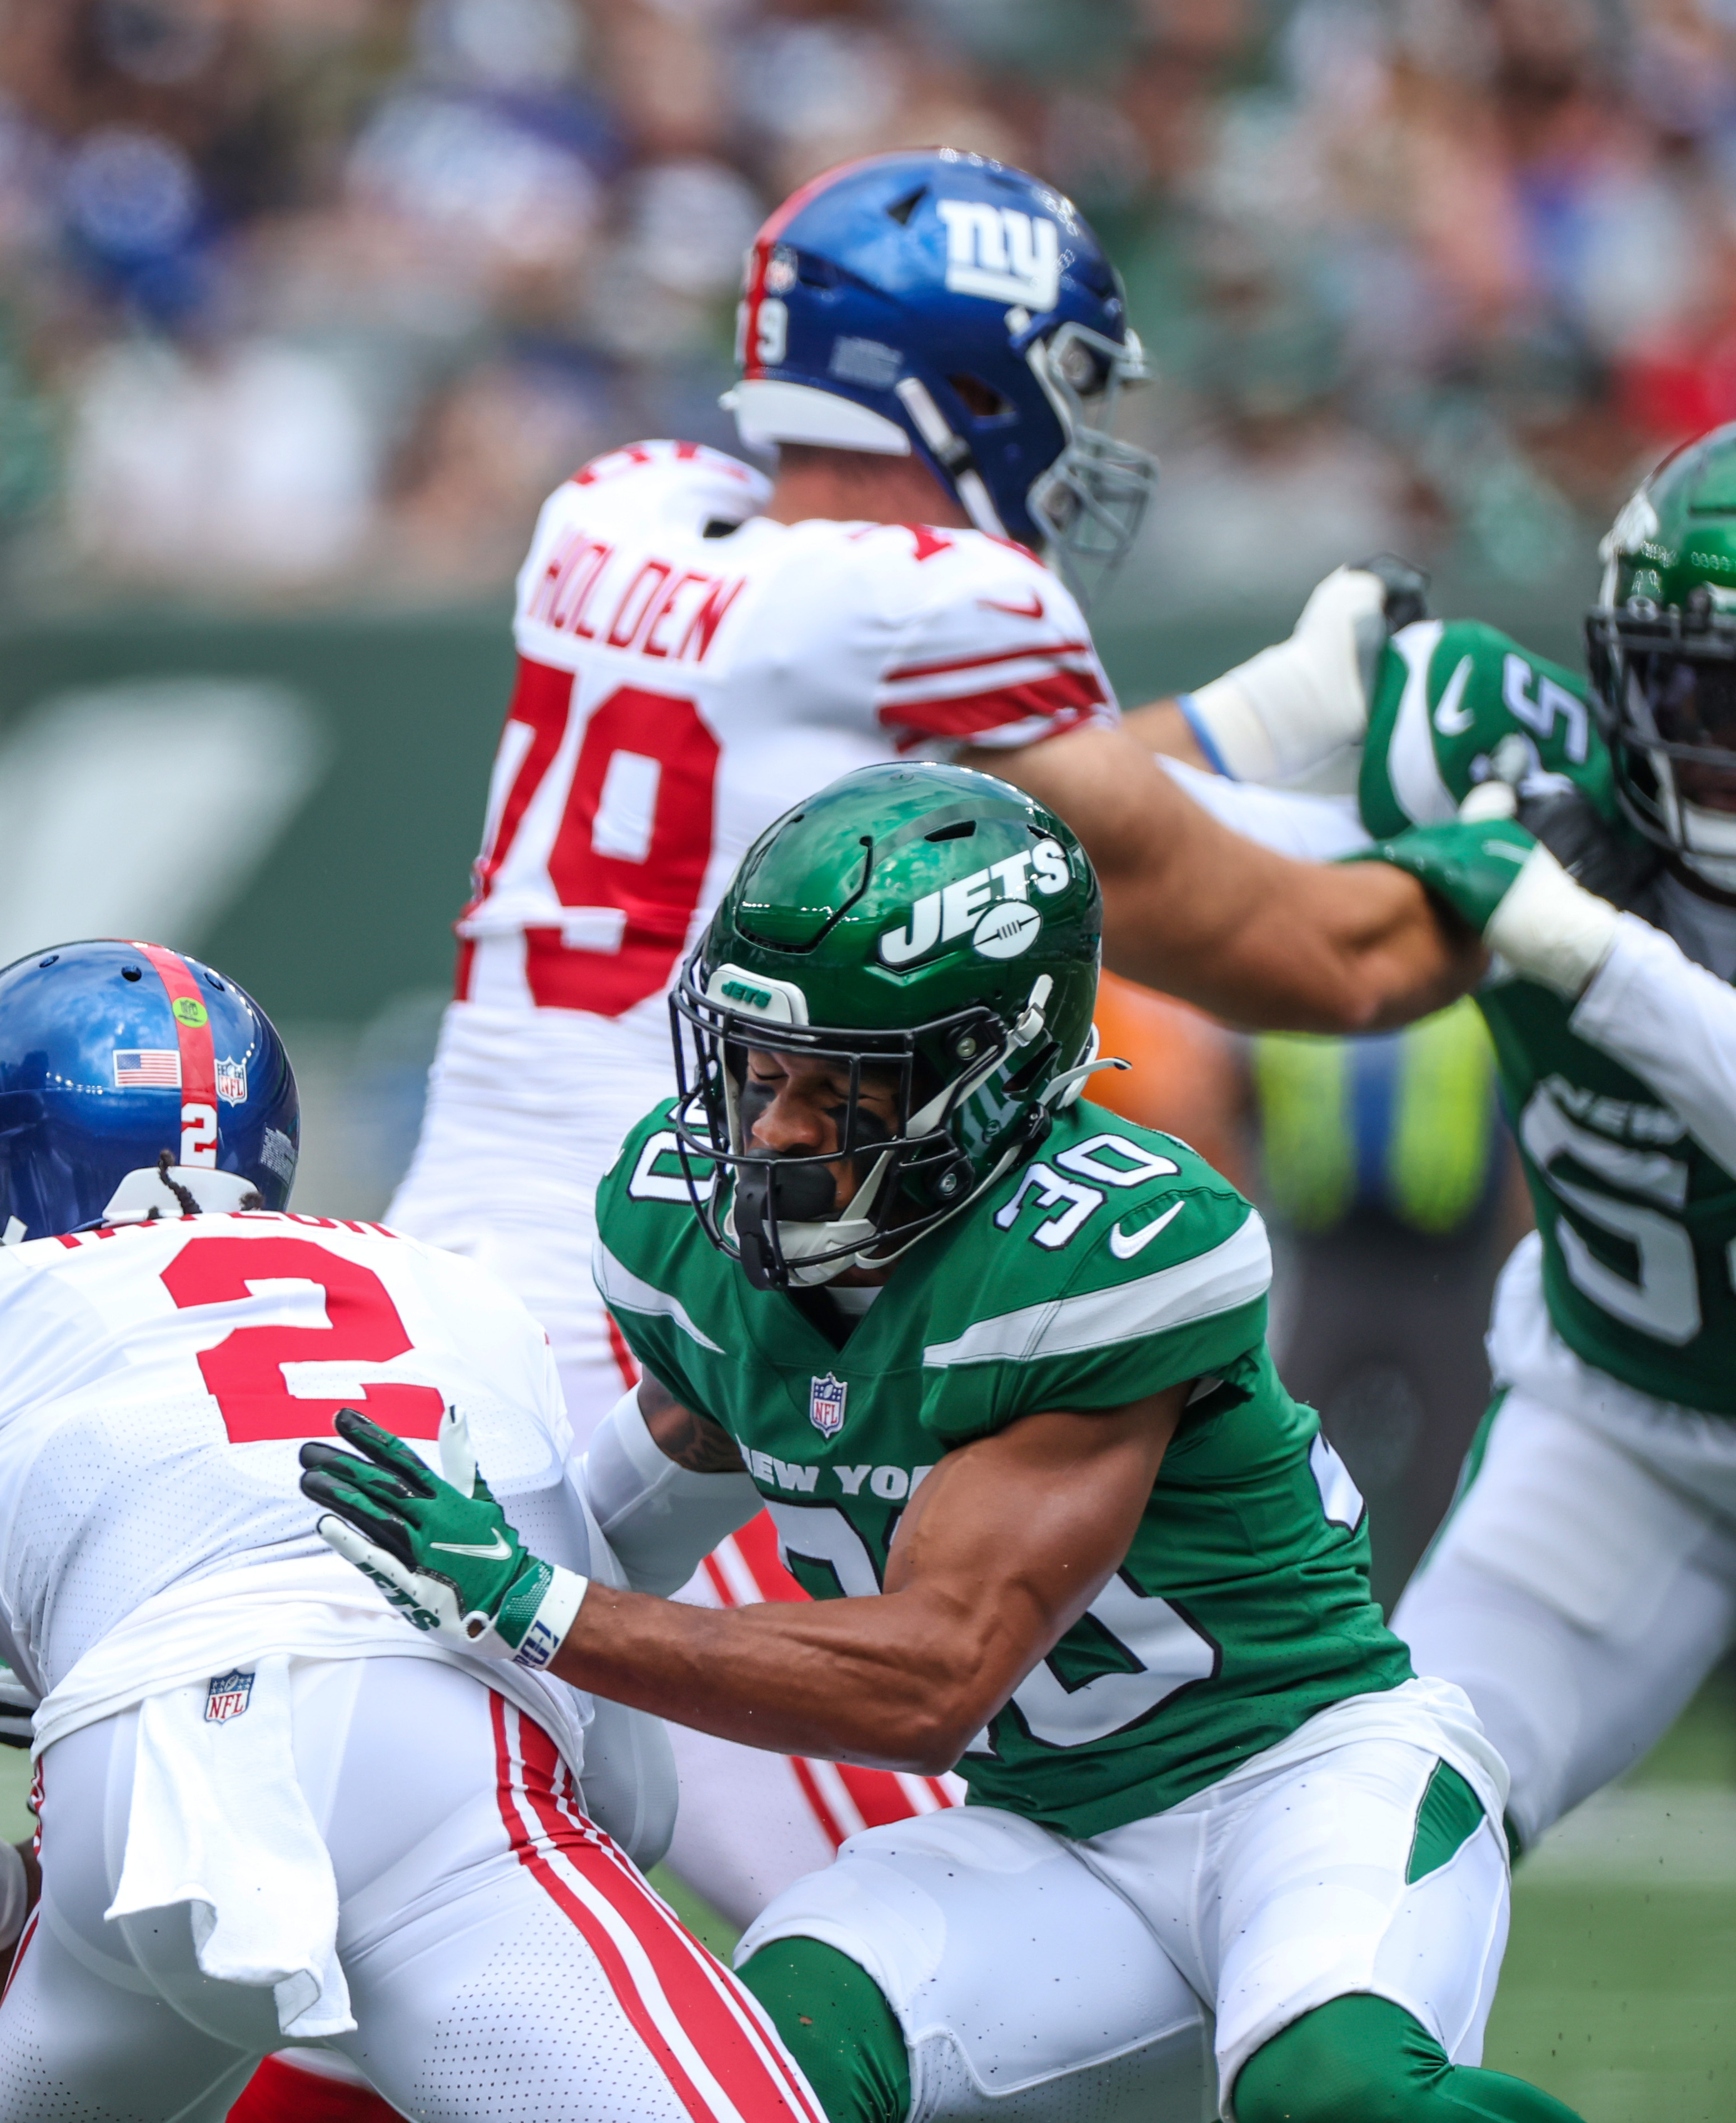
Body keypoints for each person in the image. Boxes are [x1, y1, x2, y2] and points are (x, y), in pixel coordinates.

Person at [359, 143, 1467, 1977]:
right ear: (963, 380)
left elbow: (956, 804)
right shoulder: (951, 600)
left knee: (434, 1957)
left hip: (456, 1302)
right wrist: (1529, 876)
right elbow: (1287, 947)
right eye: (1058, 380)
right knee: (967, 1988)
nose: (1071, 428)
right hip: (694, 1328)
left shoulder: (615, 510)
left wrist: (1282, 700)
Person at [306, 763, 1583, 2123]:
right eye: (754, 1066)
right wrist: (342, 1595)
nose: (776, 1129)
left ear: (992, 1076)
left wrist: (536, 1607)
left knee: (1335, 2098)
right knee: (751, 2072)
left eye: (841, 1090)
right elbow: (619, 1518)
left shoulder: (1107, 1254)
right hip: (1048, 1831)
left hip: (1302, 1781)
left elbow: (931, 1678)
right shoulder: (691, 1230)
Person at [0, 938, 811, 2122]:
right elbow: (629, 1797)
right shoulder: (453, 1293)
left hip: (122, 1822)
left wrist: (6, 1907)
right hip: (433, 1776)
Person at [1167, 419, 1736, 1856]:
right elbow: (1146, 869)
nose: (1723, 755)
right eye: (1698, 693)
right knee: (1375, 1835)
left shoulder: (1573, 906)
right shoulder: (1538, 793)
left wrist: (1594, 956)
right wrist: (1262, 716)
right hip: (1630, 1431)